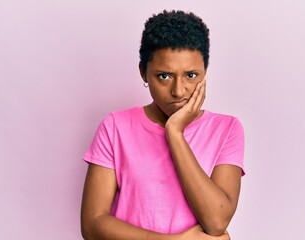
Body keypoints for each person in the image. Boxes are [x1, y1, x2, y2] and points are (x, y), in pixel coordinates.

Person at [80, 10, 245, 240]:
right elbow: (92, 224)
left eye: (191, 75)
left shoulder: (227, 129)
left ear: (205, 72)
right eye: (164, 76)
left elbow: (216, 221)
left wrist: (175, 133)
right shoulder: (115, 127)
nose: (179, 90)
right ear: (143, 73)